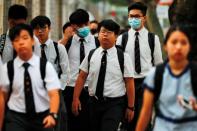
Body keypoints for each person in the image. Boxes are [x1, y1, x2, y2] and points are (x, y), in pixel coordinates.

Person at [72, 19, 135, 131]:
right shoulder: (92, 54)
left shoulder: (123, 57)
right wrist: (75, 98)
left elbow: (129, 82)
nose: (105, 35)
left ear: (116, 36)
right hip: (93, 103)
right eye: (102, 31)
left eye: (109, 32)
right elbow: (82, 77)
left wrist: (130, 107)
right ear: (98, 35)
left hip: (114, 104)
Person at [136, 24, 197, 131]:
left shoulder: (195, 72)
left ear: (190, 46)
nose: (178, 47)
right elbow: (146, 112)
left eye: (183, 42)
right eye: (174, 42)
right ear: (165, 46)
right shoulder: (155, 74)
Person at [0, 23, 61, 131]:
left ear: (32, 41)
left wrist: (52, 114)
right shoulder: (8, 68)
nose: (21, 42)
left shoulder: (45, 66)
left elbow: (53, 94)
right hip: (16, 118)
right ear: (13, 44)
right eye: (17, 40)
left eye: (25, 38)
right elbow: (2, 97)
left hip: (42, 117)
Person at [116, 2, 163, 130]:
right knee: (128, 121)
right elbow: (118, 64)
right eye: (131, 16)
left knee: (144, 121)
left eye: (137, 16)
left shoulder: (153, 39)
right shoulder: (122, 39)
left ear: (144, 18)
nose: (133, 19)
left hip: (146, 83)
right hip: (126, 84)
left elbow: (158, 65)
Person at [64, 9, 98, 131]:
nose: (83, 28)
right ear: (73, 26)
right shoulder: (67, 43)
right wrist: (65, 38)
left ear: (88, 23)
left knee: (89, 124)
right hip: (70, 88)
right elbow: (56, 57)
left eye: (85, 24)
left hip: (90, 89)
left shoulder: (97, 42)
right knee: (72, 125)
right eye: (79, 26)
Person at [30, 15, 70, 90]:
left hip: (55, 89)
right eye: (36, 28)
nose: (40, 31)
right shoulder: (30, 49)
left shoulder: (59, 48)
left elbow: (66, 72)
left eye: (43, 28)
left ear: (49, 28)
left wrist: (58, 88)